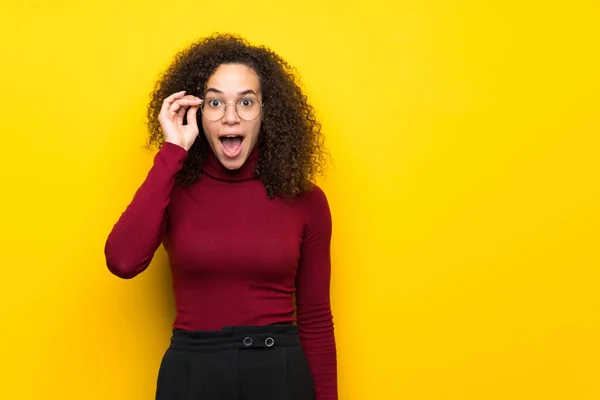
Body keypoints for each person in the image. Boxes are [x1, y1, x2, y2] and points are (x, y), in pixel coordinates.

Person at [104, 33, 337, 400]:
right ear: (198, 112)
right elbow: (122, 260)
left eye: (246, 102)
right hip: (193, 373)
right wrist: (172, 152)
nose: (231, 117)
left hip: (281, 375)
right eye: (215, 103)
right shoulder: (172, 190)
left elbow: (316, 319)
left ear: (267, 111)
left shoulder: (306, 200)